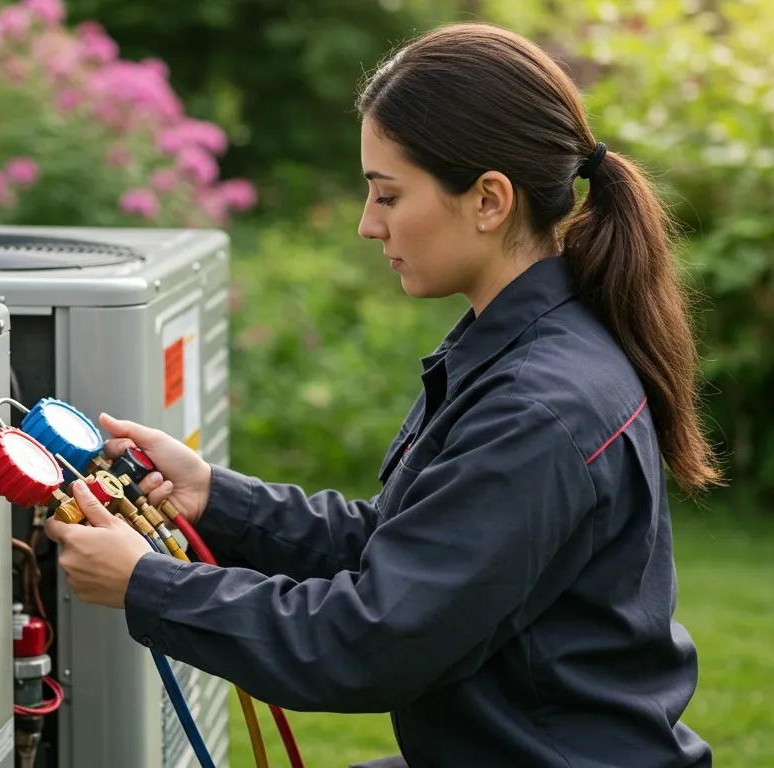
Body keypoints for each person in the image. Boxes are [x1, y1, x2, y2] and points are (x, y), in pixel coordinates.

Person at [44, 21, 721, 768]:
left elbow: (371, 641)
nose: (370, 225)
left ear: (490, 200)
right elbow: (397, 549)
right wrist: (212, 496)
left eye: (389, 195)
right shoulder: (523, 351)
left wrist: (149, 586)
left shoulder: (538, 405)